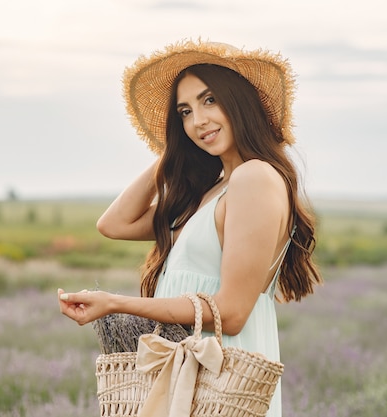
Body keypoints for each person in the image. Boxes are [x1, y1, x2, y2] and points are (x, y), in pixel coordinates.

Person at [58, 40, 322, 416]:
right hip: (189, 375)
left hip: (221, 376)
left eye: (210, 100)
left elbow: (231, 313)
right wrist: (173, 149)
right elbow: (114, 223)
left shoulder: (254, 178)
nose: (198, 120)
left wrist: (116, 303)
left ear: (241, 103)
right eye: (185, 111)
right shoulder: (215, 191)